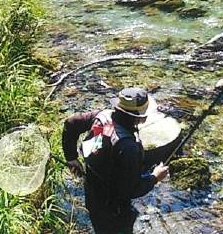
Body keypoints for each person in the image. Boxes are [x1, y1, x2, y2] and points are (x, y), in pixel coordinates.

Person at [61, 87, 170, 234]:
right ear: (137, 116)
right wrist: (154, 177)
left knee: (100, 226)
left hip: (92, 191)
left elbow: (71, 123)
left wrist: (71, 157)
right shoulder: (129, 147)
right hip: (113, 207)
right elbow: (130, 191)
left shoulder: (102, 116)